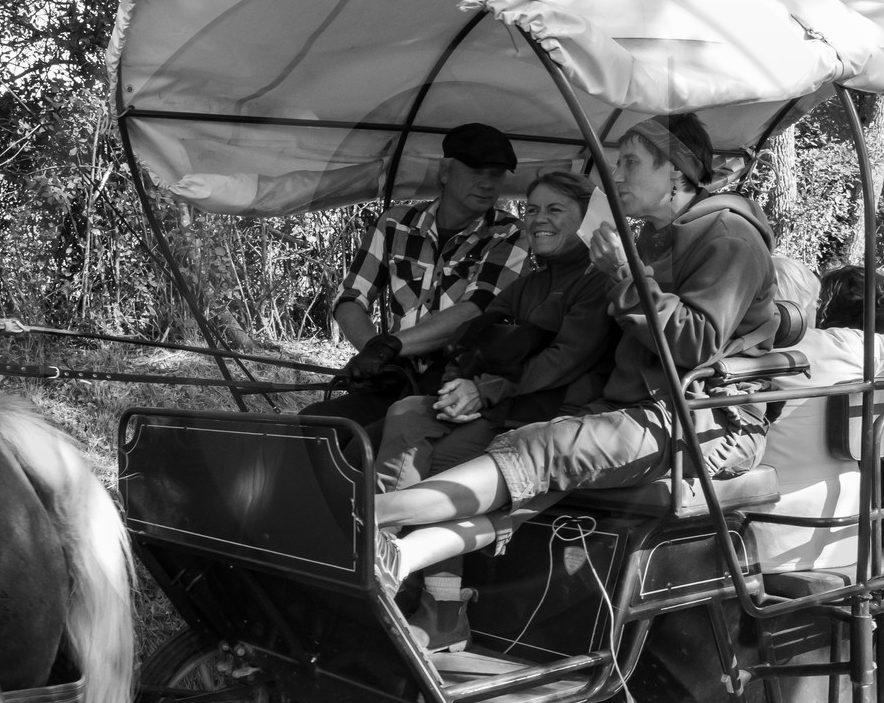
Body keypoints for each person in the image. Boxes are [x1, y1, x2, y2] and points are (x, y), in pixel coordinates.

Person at [372, 112, 779, 594]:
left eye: (630, 163)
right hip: (636, 405)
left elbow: (694, 344)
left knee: (535, 445)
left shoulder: (728, 237)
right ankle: (423, 581)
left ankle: (368, 517)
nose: (618, 176)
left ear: (674, 172)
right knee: (472, 447)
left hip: (706, 421)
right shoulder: (649, 237)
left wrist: (625, 275)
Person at [372, 171, 618, 648]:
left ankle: (434, 601)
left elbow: (565, 360)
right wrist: (457, 384)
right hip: (502, 403)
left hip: (548, 412)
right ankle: (388, 558)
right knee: (406, 412)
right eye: (532, 210)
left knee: (446, 464)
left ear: (587, 219)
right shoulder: (530, 282)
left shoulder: (597, 281)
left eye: (554, 210)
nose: (538, 220)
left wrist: (485, 391)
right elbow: (473, 339)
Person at [304, 122, 529, 443]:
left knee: (369, 444)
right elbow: (350, 299)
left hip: (458, 386)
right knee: (312, 427)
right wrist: (375, 357)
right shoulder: (396, 222)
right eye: (476, 170)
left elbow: (475, 312)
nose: (487, 183)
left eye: (496, 174)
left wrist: (390, 347)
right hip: (395, 380)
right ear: (445, 172)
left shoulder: (509, 234)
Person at [753, 263, 884, 573]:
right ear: (797, 308)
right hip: (838, 537)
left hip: (744, 539)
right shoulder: (843, 345)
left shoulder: (718, 351)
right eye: (813, 305)